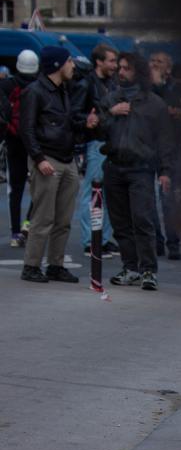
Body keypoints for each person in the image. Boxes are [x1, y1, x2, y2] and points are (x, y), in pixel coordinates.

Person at [19, 47, 99, 283]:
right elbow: (26, 129)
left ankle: (55, 265)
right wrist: (39, 158)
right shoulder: (34, 91)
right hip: (48, 159)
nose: (73, 66)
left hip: (66, 159)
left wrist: (85, 124)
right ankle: (31, 266)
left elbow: (67, 123)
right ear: (57, 65)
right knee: (43, 217)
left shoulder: (63, 89)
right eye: (69, 61)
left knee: (63, 220)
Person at [99, 52, 174, 291]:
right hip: (114, 166)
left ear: (138, 72)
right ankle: (130, 267)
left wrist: (165, 171)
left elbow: (164, 140)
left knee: (142, 219)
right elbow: (96, 130)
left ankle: (148, 270)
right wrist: (110, 114)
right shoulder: (110, 99)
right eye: (119, 67)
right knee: (120, 223)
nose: (121, 72)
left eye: (126, 68)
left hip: (141, 169)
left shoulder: (155, 104)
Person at [74, 42, 120, 257]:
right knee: (92, 193)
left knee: (108, 193)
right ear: (99, 62)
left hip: (110, 143)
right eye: (111, 61)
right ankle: (90, 240)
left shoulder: (112, 83)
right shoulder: (86, 85)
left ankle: (103, 239)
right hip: (96, 143)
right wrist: (101, 116)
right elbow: (75, 115)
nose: (115, 65)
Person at [149, 50, 181, 259]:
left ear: (168, 68)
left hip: (171, 150)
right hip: (149, 148)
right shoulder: (145, 88)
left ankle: (173, 243)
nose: (155, 64)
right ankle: (157, 241)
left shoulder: (177, 89)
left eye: (160, 62)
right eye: (152, 61)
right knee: (150, 199)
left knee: (168, 198)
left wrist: (179, 114)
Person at [1, 50, 38, 247]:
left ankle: (15, 232)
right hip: (34, 141)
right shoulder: (39, 85)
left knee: (15, 189)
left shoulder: (7, 85)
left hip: (13, 140)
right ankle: (28, 222)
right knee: (40, 185)